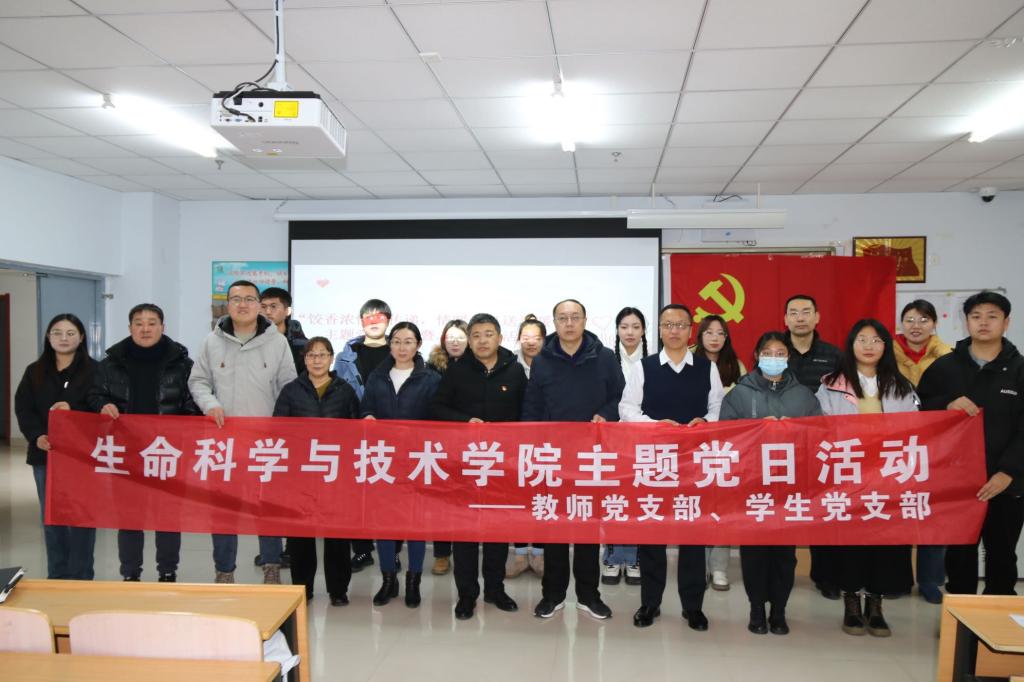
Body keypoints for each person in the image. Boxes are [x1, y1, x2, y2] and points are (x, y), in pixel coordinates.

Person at [620, 304, 724, 632]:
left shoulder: (706, 367)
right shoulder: (644, 367)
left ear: (690, 330)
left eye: (680, 325)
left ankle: (693, 606)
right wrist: (654, 425)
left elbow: (718, 407)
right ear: (660, 330)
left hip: (694, 462)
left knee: (693, 535)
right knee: (652, 533)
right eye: (668, 325)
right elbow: (627, 409)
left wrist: (705, 422)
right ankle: (650, 603)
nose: (674, 330)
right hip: (654, 461)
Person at [189, 280, 298, 584]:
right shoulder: (211, 342)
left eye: (250, 299)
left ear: (259, 305)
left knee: (268, 507)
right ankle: (224, 570)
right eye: (236, 299)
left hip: (266, 444)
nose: (243, 305)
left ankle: (271, 565)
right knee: (224, 510)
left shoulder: (277, 342)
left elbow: (289, 387)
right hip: (224, 442)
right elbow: (198, 381)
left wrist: (281, 427)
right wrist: (210, 404)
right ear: (228, 304)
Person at [522, 299, 624, 620]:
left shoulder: (604, 358)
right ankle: (552, 594)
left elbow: (619, 396)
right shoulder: (542, 360)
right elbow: (532, 407)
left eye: (574, 317)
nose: (569, 323)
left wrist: (605, 414)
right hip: (553, 457)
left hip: (592, 457)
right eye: (563, 318)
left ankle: (588, 595)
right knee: (554, 529)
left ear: (585, 320)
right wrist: (531, 449)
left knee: (587, 530)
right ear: (554, 323)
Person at [918, 291, 1024, 598]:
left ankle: (997, 617)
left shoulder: (1019, 370)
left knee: (1002, 555)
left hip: (1006, 482)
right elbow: (920, 409)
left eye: (992, 316)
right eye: (976, 316)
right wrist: (946, 404)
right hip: (957, 481)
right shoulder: (945, 367)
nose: (983, 322)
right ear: (966, 322)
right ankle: (958, 620)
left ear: (1006, 323)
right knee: (959, 556)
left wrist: (1008, 472)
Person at [817, 319, 918, 638]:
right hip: (847, 475)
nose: (869, 346)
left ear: (886, 346)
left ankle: (876, 605)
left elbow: (916, 430)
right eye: (862, 339)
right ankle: (851, 603)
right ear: (851, 345)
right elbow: (820, 428)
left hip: (888, 476)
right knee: (850, 542)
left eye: (876, 340)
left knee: (883, 542)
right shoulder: (831, 384)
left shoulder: (901, 385)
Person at [719, 331, 822, 636]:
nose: (773, 358)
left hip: (789, 487)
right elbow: (725, 438)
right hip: (752, 485)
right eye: (767, 353)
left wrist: (791, 431)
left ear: (788, 357)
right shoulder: (739, 393)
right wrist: (756, 430)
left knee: (784, 555)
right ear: (757, 356)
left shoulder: (804, 396)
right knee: (754, 553)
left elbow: (818, 437)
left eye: (780, 353)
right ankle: (756, 609)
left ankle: (779, 610)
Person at [87, 303, 199, 583]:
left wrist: (182, 430)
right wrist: (102, 405)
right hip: (126, 451)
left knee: (168, 515)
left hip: (167, 452)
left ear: (162, 327)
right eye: (139, 323)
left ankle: (168, 571)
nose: (145, 328)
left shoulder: (183, 365)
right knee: (129, 516)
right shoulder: (110, 364)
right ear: (130, 328)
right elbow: (94, 395)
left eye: (151, 323)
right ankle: (130, 572)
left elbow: (193, 404)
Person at [431, 313, 527, 619]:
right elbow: (437, 407)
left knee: (498, 529)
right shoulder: (457, 370)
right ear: (469, 340)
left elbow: (526, 413)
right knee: (466, 533)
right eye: (476, 335)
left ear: (500, 338)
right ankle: (466, 595)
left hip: (502, 464)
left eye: (488, 334)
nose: (482, 340)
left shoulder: (515, 370)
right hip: (465, 464)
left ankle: (495, 589)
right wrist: (464, 421)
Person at [360, 321, 441, 608]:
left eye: (408, 342)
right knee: (385, 523)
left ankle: (413, 581)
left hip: (417, 460)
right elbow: (366, 407)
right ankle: (388, 579)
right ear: (389, 344)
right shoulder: (377, 376)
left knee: (415, 524)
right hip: (384, 459)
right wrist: (368, 416)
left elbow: (438, 419)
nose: (402, 347)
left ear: (418, 345)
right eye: (396, 341)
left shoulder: (431, 379)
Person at [273, 336, 359, 606]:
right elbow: (278, 430)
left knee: (337, 535)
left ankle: (338, 590)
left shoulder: (345, 391)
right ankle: (303, 588)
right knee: (300, 536)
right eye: (311, 355)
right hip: (300, 474)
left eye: (322, 355)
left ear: (331, 358)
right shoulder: (291, 391)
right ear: (304, 360)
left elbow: (356, 433)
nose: (317, 360)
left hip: (336, 473)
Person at [14, 313, 97, 580]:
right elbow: (23, 408)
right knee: (52, 519)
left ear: (81, 337)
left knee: (81, 519)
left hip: (83, 457)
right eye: (57, 333)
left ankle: (81, 577)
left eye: (70, 333)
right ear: (48, 337)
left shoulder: (95, 371)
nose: (63, 338)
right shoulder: (34, 372)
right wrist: (36, 435)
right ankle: (57, 577)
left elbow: (101, 407)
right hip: (45, 455)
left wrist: (73, 409)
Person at [894, 299, 954, 604]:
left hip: (936, 445)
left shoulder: (950, 357)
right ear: (901, 323)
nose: (916, 326)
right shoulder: (886, 353)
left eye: (923, 320)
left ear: (934, 324)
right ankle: (899, 577)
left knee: (934, 511)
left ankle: (931, 579)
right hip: (895, 444)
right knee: (897, 510)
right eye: (910, 320)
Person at [784, 293, 842, 601]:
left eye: (806, 311)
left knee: (823, 508)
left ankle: (826, 576)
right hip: (783, 446)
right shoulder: (775, 351)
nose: (800, 317)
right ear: (785, 319)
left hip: (823, 446)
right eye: (794, 312)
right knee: (784, 509)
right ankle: (784, 573)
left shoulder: (834, 355)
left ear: (817, 317)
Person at [333, 298, 393, 572]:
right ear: (361, 322)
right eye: (368, 316)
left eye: (379, 316)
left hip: (391, 435)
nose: (374, 321)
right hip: (354, 434)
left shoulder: (399, 350)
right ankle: (362, 550)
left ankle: (391, 551)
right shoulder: (346, 356)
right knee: (356, 494)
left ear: (388, 320)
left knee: (389, 495)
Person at [691, 314, 746, 592]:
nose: (715, 338)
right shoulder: (689, 360)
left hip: (727, 445)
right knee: (697, 504)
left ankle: (719, 567)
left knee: (721, 506)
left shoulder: (736, 365)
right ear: (700, 335)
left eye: (720, 333)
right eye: (709, 332)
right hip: (694, 444)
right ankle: (697, 565)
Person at [256, 286, 307, 570]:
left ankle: (291, 547)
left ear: (287, 311)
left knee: (292, 493)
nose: (267, 311)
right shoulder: (253, 339)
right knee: (266, 493)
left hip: (294, 428)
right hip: (262, 427)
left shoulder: (302, 346)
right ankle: (271, 551)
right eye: (263, 306)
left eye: (273, 306)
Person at [602, 307, 648, 587]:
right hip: (613, 440)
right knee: (614, 498)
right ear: (617, 330)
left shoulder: (654, 361)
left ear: (644, 331)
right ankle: (612, 555)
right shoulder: (607, 360)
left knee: (638, 498)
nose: (630, 332)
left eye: (636, 327)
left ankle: (633, 557)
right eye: (624, 327)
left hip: (644, 440)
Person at [425, 318, 468, 575]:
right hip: (439, 445)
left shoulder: (477, 367)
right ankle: (441, 554)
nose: (455, 342)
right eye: (450, 337)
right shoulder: (430, 369)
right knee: (442, 502)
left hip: (470, 446)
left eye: (460, 337)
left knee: (465, 501)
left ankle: (465, 551)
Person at [508, 314, 546, 578]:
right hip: (515, 442)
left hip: (547, 443)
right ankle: (521, 554)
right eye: (526, 337)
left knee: (543, 498)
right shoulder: (509, 365)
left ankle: (540, 553)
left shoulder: (553, 364)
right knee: (518, 499)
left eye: (537, 338)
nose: (531, 342)